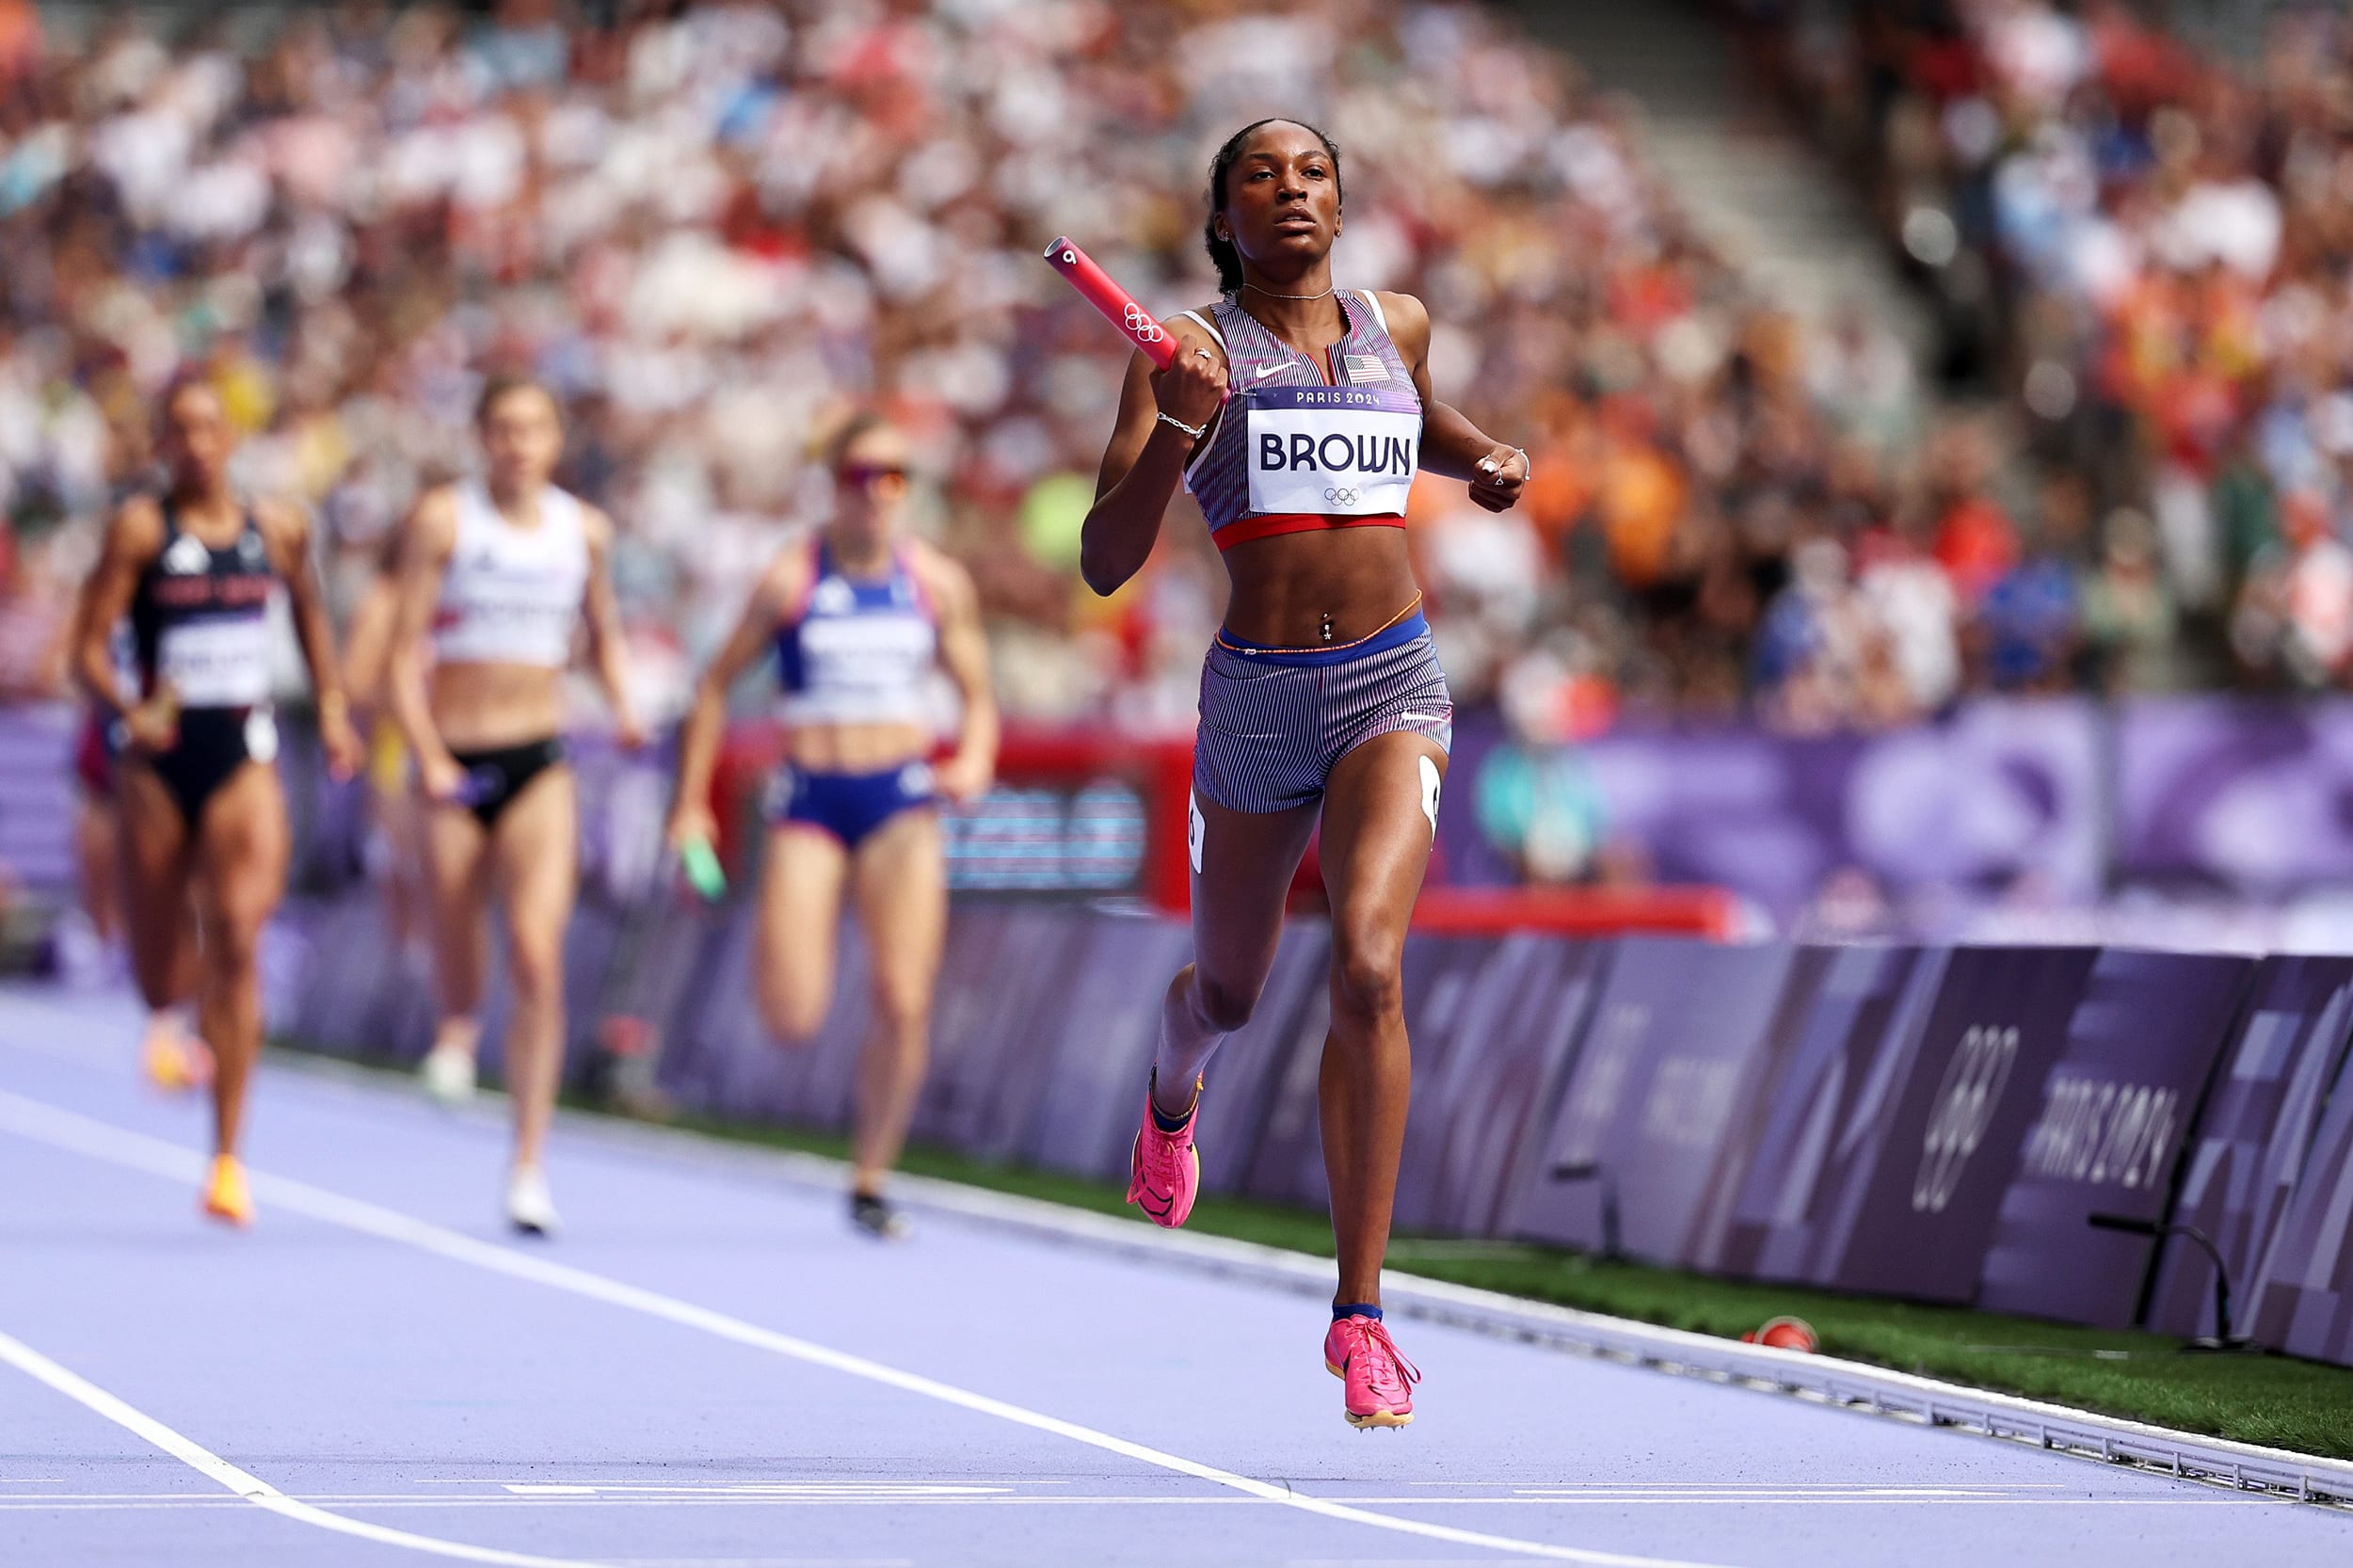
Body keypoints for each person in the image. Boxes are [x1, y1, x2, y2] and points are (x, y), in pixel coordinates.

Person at [1080, 119, 1528, 1429]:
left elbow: (1418, 419)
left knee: (1371, 964)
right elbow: (1106, 560)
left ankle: (1362, 1316)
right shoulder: (1184, 352)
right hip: (1260, 700)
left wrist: (1481, 455)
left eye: (1314, 171)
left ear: (1341, 202)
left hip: (1393, 684)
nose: (1293, 189)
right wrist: (1178, 427)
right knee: (1227, 989)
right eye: (1262, 176)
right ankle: (1173, 1098)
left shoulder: (1402, 322)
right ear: (1225, 216)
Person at [667, 413, 996, 1240]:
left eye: (894, 478)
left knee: (905, 998)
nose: (878, 494)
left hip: (899, 800)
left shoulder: (937, 581)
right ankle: (776, 951)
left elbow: (979, 695)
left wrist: (975, 760)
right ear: (833, 486)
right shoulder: (791, 578)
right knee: (792, 1014)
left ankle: (871, 1176)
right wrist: (689, 803)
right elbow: (710, 689)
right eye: (860, 476)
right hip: (811, 799)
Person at [72, 379, 360, 1225]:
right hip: (157, 760)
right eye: (180, 430)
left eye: (209, 428)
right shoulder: (138, 532)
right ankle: (168, 1014)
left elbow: (311, 616)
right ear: (163, 444)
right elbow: (87, 650)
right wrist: (129, 711)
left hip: (243, 746)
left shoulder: (278, 528)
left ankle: (227, 1159)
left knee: (238, 931)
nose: (196, 443)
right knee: (161, 966)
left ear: (231, 437)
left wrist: (335, 708)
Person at [385, 376, 644, 1236]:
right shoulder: (444, 520)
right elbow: (400, 651)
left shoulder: (584, 531)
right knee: (457, 932)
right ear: (480, 438)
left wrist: (624, 701)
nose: (516, 444)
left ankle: (528, 1160)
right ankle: (455, 1024)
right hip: (454, 760)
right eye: (500, 429)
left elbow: (601, 631)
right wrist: (423, 753)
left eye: (531, 428)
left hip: (539, 758)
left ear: (555, 438)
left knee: (538, 955)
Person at [67, 607, 208, 1091]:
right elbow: (82, 654)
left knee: (186, 870)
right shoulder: (126, 564)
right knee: (125, 850)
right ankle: (117, 954)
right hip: (126, 723)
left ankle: (179, 1006)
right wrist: (127, 710)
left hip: (192, 730)